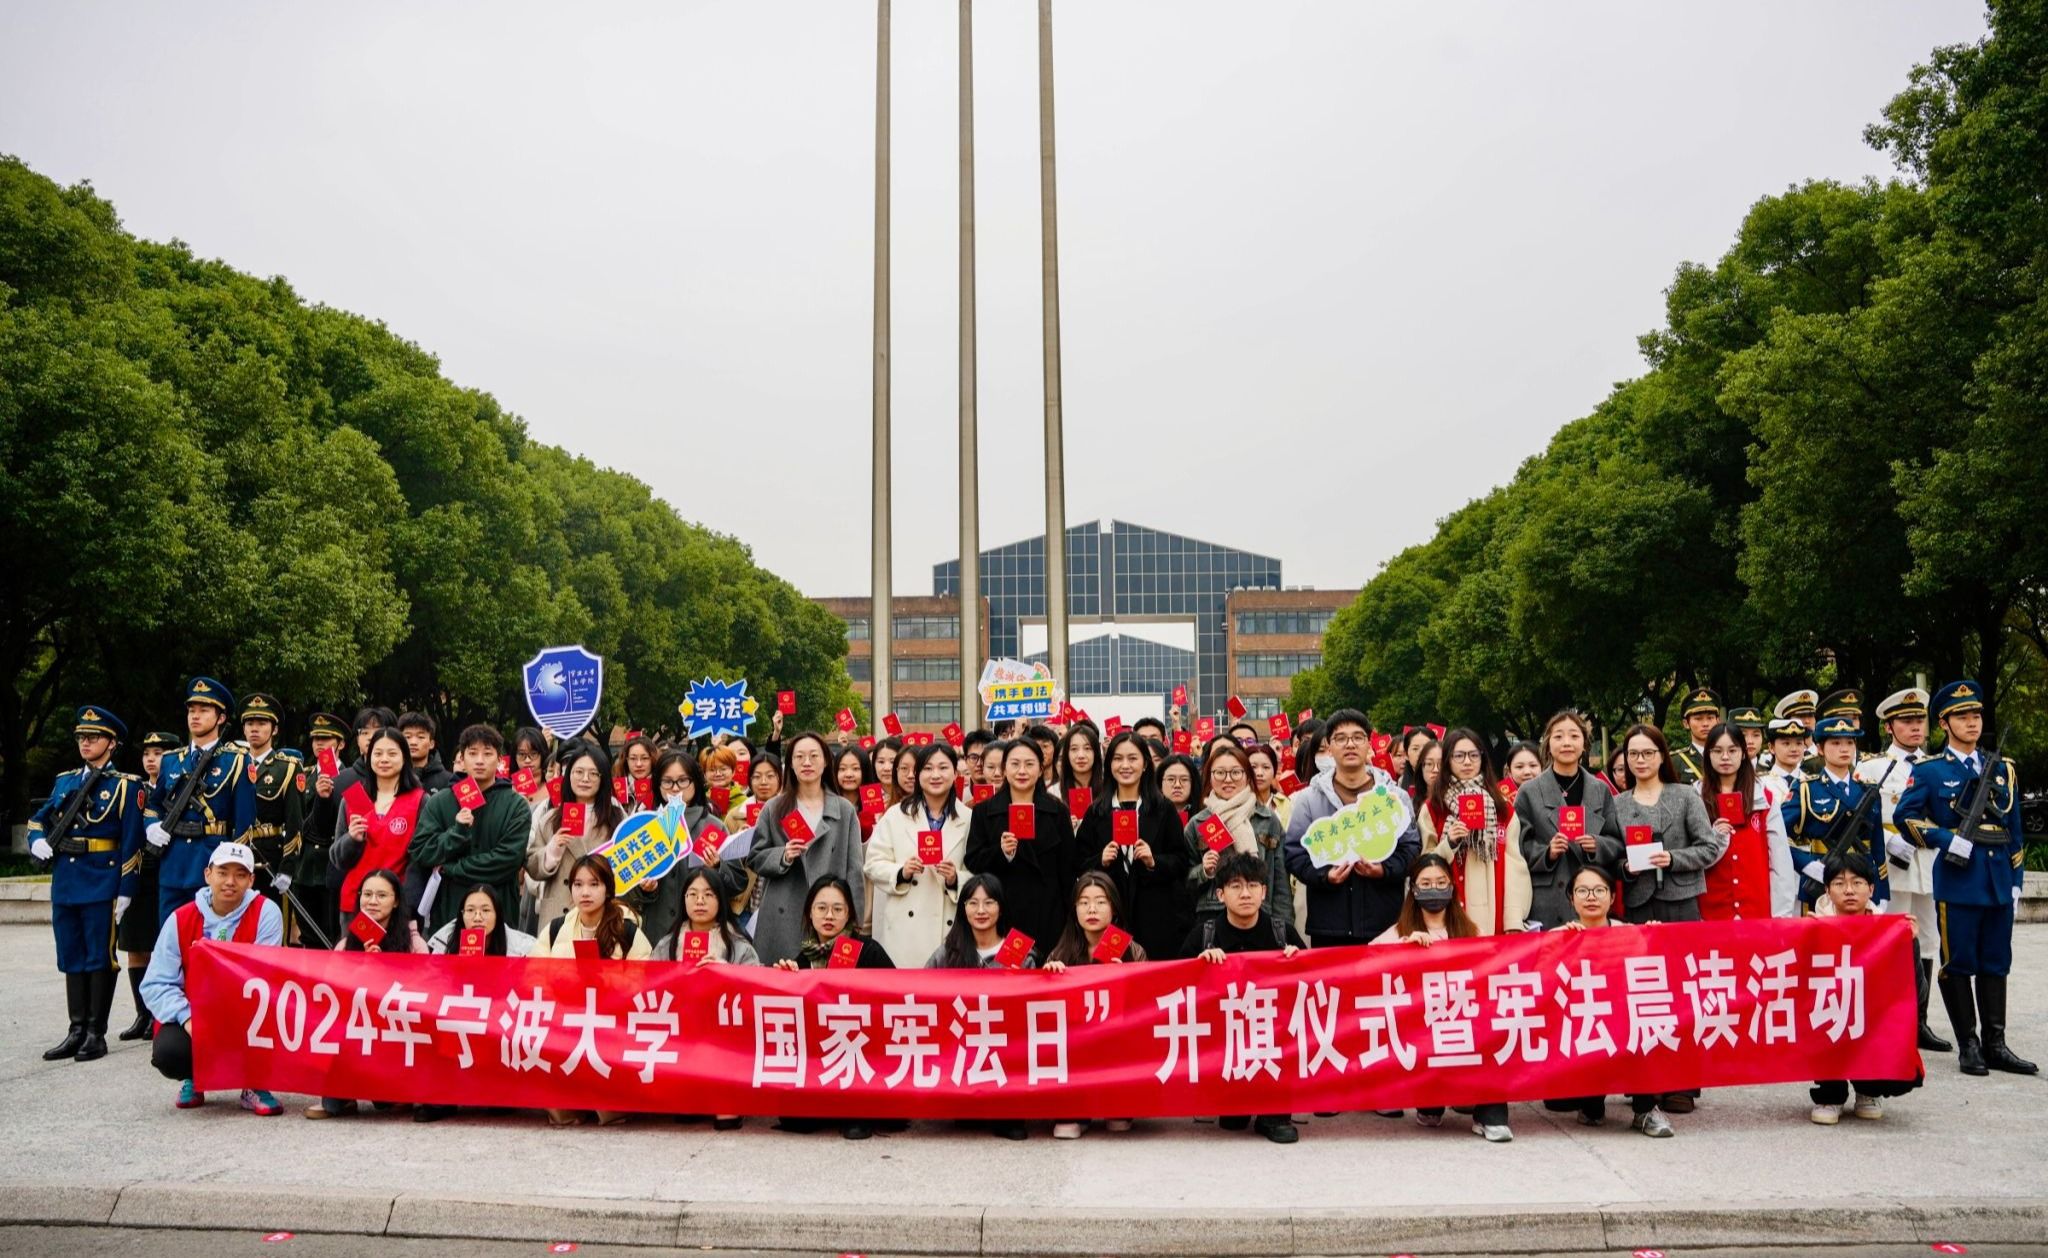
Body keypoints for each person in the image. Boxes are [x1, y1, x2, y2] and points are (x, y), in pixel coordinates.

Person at [1896, 680, 2036, 1076]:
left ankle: (1996, 1044)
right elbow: (1906, 818)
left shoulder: (2003, 769)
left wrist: (2016, 879)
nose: (1972, 722)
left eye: (1976, 715)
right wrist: (1945, 839)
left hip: (1997, 880)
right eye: (1962, 716)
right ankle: (1968, 1045)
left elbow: (2015, 829)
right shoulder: (1929, 771)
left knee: (1996, 961)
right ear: (1944, 723)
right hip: (1959, 881)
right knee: (1958, 962)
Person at [30, 704, 146, 1064]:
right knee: (71, 954)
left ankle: (96, 1033)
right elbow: (38, 819)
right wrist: (36, 839)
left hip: (101, 880)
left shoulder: (126, 786)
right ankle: (75, 1029)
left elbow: (132, 842)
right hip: (67, 879)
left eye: (93, 737)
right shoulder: (65, 781)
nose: (85, 742)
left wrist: (126, 888)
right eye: (81, 736)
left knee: (99, 956)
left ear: (111, 743)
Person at [1372, 855, 1511, 1142]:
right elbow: (1364, 965)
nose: (1433, 889)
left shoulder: (1471, 931)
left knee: (1494, 1036)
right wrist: (1402, 951)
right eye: (1425, 884)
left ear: (1451, 887)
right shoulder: (1398, 932)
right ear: (1414, 889)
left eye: (1440, 882)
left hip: (1466, 1023)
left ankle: (1490, 1115)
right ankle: (1430, 1103)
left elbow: (1497, 967)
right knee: (1430, 1106)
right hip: (1422, 1027)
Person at [140, 841, 285, 1115]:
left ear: (251, 880)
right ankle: (194, 1077)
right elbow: (156, 983)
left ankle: (254, 1082)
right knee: (170, 1052)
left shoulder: (266, 912)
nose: (230, 882)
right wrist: (187, 1018)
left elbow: (264, 975)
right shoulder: (180, 918)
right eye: (222, 872)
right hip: (195, 1012)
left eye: (240, 875)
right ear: (208, 874)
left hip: (247, 1010)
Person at [1182, 850, 1303, 1144]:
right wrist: (1199, 967)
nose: (1245, 893)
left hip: (1272, 1036)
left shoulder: (1282, 932)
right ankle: (1233, 1099)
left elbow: (1314, 988)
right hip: (1226, 1039)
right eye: (1235, 886)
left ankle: (1274, 1115)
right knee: (1232, 1122)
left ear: (1264, 892)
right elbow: (1177, 991)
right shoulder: (1204, 935)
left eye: (1252, 885)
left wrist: (1299, 961)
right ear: (1220, 895)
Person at [1542, 865, 1672, 1137]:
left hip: (1622, 1023)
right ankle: (1592, 1104)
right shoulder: (1558, 935)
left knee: (1641, 1029)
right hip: (1581, 1027)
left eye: (1599, 890)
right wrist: (1562, 945)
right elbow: (1545, 985)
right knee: (1575, 1106)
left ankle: (1645, 1110)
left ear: (1612, 897)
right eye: (1582, 891)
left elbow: (1649, 979)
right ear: (1571, 898)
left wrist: (1655, 939)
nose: (1591, 897)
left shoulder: (1630, 933)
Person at [770, 875, 894, 1141]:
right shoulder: (805, 957)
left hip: (861, 1050)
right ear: (810, 912)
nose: (829, 916)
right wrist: (786, 979)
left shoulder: (868, 950)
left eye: (838, 909)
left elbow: (895, 996)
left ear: (849, 914)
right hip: (822, 1055)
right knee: (794, 1120)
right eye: (821, 908)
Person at [1284, 709, 1420, 950]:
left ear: (1369, 744)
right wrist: (1325, 876)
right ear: (1329, 746)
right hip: (1329, 926)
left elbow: (1411, 849)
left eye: (1358, 737)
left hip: (1385, 924)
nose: (1350, 744)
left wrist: (1384, 870)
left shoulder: (1394, 798)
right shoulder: (1309, 800)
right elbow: (1294, 854)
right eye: (1341, 738)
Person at [1859, 687, 1949, 1052]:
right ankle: (1889, 1018)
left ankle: (1919, 1021)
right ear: (1889, 726)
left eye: (1919, 721)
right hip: (1893, 864)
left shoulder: (1937, 766)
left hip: (1928, 862)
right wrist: (1887, 840)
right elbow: (1862, 816)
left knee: (1927, 941)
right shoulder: (1871, 768)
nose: (1915, 728)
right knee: (1892, 941)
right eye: (1906, 721)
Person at [1807, 852, 1924, 1124]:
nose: (1849, 890)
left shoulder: (1890, 931)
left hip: (1870, 1018)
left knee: (1884, 1023)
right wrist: (1804, 942)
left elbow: (1916, 995)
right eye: (1839, 883)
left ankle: (1868, 1089)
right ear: (1827, 890)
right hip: (1829, 1016)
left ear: (1871, 889)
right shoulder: (1812, 927)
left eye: (1857, 883)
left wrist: (1909, 946)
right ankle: (1831, 1093)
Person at [535, 854, 650, 1127]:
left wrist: (607, 983)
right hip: (566, 1023)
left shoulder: (628, 931)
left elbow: (645, 982)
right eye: (578, 884)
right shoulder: (555, 930)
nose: (585, 892)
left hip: (612, 1025)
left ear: (608, 889)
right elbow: (533, 977)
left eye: (594, 884)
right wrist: (562, 985)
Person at [304, 868, 418, 1120]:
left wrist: (385, 972)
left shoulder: (413, 943)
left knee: (387, 1103)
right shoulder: (346, 944)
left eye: (381, 895)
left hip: (395, 1028)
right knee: (332, 1105)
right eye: (367, 894)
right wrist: (362, 970)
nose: (372, 901)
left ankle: (391, 1089)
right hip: (355, 1028)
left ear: (396, 901)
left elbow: (424, 993)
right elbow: (331, 991)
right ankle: (343, 1095)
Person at [652, 867, 757, 1131]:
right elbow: (650, 989)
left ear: (720, 900)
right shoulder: (667, 944)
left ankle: (729, 1097)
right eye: (693, 894)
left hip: (726, 1036)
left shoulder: (739, 945)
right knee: (684, 1113)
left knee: (726, 1119)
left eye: (709, 895)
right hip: (682, 1034)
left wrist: (726, 972)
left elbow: (758, 989)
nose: (700, 901)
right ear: (683, 900)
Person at [747, 733, 866, 966]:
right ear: (790, 764)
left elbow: (854, 870)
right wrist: (782, 855)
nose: (807, 763)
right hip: (782, 914)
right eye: (799, 757)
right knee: (781, 979)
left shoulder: (844, 810)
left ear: (826, 761)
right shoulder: (774, 808)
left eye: (814, 756)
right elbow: (755, 856)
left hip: (830, 913)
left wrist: (856, 920)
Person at [1040, 871, 1143, 1140]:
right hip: (1074, 1044)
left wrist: (1126, 979)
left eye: (1100, 901)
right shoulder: (1061, 952)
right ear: (1075, 909)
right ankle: (1074, 1109)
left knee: (1119, 1123)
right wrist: (1050, 977)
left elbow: (1146, 1007)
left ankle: (1118, 1104)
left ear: (1114, 908)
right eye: (1084, 902)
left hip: (1117, 1040)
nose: (1092, 909)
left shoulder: (1133, 951)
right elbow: (1044, 1010)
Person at [145, 677, 255, 928]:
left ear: (221, 718)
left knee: (208, 938)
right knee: (170, 937)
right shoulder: (171, 760)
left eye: (204, 710)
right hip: (173, 863)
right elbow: (153, 804)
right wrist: (151, 825)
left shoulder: (236, 761)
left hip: (212, 863)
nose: (195, 716)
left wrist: (231, 871)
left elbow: (244, 822)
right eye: (191, 710)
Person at [408, 724, 533, 940]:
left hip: (499, 911)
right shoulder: (440, 801)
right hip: (449, 910)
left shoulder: (516, 805)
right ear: (462, 758)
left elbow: (508, 860)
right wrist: (456, 833)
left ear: (500, 760)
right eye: (472, 753)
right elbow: (421, 851)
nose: (480, 760)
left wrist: (453, 868)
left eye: (488, 754)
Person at [1076, 730, 1189, 963]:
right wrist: (1101, 860)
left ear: (1145, 765)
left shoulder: (1163, 809)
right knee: (1112, 977)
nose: (1125, 765)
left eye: (1133, 758)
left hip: (1155, 916)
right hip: (1111, 918)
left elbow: (1181, 861)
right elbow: (1078, 863)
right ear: (1109, 764)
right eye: (1118, 759)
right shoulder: (1097, 812)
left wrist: (1154, 861)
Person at [1515, 710, 1625, 929]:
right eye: (1558, 736)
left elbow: (1616, 842)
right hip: (1548, 896)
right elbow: (1519, 847)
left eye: (1574, 736)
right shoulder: (1529, 792)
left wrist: (1597, 845)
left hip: (1592, 897)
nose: (1566, 743)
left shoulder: (1600, 789)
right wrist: (1547, 852)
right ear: (1548, 744)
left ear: (1584, 744)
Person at [1417, 729, 1531, 936]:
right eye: (1459, 756)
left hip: (1493, 915)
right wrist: (1450, 843)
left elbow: (1515, 867)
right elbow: (1423, 865)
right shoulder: (1433, 808)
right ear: (1447, 760)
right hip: (1448, 914)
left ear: (1482, 759)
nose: (1467, 762)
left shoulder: (1502, 809)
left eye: (1474, 755)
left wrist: (1513, 920)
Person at [964, 739, 1075, 950]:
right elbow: (973, 860)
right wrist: (1002, 853)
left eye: (1029, 764)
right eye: (1015, 764)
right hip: (1003, 914)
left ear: (1040, 770)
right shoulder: (984, 811)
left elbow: (1068, 869)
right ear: (1004, 769)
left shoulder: (1057, 811)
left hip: (1049, 914)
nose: (1022, 771)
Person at [1612, 724, 1727, 924]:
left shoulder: (1686, 795)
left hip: (1682, 900)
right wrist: (1626, 867)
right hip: (1638, 902)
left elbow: (1709, 848)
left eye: (1648, 753)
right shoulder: (1616, 804)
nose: (1640, 760)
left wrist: (1673, 858)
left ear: (1662, 756)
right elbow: (1611, 856)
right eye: (1633, 754)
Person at [866, 743, 967, 967]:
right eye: (928, 768)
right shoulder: (895, 816)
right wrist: (901, 872)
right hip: (906, 931)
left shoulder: (969, 818)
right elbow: (872, 864)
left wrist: (955, 878)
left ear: (955, 774)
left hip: (951, 929)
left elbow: (980, 874)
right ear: (918, 774)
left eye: (943, 768)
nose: (935, 775)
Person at [632, 749, 744, 942]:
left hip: (703, 934)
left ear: (695, 782)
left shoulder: (713, 826)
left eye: (683, 780)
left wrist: (718, 866)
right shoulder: (644, 826)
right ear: (658, 784)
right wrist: (644, 889)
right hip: (656, 932)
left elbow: (737, 883)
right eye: (667, 781)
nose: (675, 788)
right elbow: (626, 886)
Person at [1783, 714, 1887, 914]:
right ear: (1820, 748)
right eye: (1836, 743)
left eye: (1850, 742)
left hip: (1862, 879)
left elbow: (1877, 844)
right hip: (1822, 875)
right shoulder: (1807, 788)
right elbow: (1778, 834)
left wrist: (1882, 890)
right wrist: (1806, 864)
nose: (1844, 749)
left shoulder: (1868, 789)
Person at [1185, 740, 1291, 930]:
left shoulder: (1268, 820)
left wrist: (1283, 928)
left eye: (1236, 772)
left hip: (1260, 915)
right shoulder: (1198, 823)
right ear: (1209, 776)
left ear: (1247, 775)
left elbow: (1280, 882)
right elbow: (1183, 880)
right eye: (1220, 773)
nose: (1228, 779)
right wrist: (1204, 871)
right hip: (1211, 918)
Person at [1695, 721, 1794, 921]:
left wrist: (1781, 916)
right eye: (1717, 751)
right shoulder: (1694, 798)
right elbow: (1691, 857)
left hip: (1757, 910)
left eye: (1732, 750)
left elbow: (1780, 859)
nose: (1725, 757)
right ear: (1708, 755)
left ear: (1742, 753)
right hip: (1710, 911)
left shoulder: (1763, 797)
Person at [119, 729, 182, 1039]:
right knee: (134, 946)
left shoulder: (178, 786)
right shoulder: (135, 789)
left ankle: (161, 1013)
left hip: (167, 871)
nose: (151, 759)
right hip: (139, 872)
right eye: (147, 754)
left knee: (162, 946)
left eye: (158, 754)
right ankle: (142, 1014)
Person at [330, 728, 424, 929]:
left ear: (405, 758)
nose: (384, 759)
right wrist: (352, 839)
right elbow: (338, 859)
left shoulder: (419, 800)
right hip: (356, 903)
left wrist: (405, 905)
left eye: (392, 753)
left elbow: (419, 861)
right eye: (378, 753)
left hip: (397, 907)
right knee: (355, 951)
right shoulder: (354, 798)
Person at [525, 740, 622, 928]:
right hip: (558, 912)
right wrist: (552, 851)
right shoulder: (551, 818)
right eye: (578, 772)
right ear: (568, 775)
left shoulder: (616, 818)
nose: (585, 779)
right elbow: (532, 867)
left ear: (603, 778)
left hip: (602, 913)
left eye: (593, 773)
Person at [236, 694, 305, 943]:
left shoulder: (287, 767)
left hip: (270, 857)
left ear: (274, 729)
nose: (255, 729)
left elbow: (295, 821)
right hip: (237, 855)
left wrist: (287, 868)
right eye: (250, 723)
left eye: (262, 723)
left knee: (272, 932)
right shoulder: (234, 764)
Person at [291, 712, 351, 952]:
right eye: (316, 739)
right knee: (308, 933)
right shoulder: (303, 776)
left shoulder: (349, 778)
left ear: (341, 744)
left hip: (333, 861)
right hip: (305, 864)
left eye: (326, 739)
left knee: (332, 934)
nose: (319, 744)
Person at [425, 883, 536, 957]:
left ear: (497, 914)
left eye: (486, 910)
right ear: (462, 914)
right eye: (470, 910)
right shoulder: (444, 942)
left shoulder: (523, 949)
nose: (477, 918)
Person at [1670, 687, 1722, 784]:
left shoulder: (1728, 757)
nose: (1705, 724)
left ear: (1718, 721)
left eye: (1710, 718)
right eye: (1698, 719)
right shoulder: (1676, 761)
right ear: (1686, 723)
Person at [396, 711, 453, 794]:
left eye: (420, 737)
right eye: (407, 737)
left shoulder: (449, 781)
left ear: (431, 744)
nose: (413, 742)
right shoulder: (391, 778)